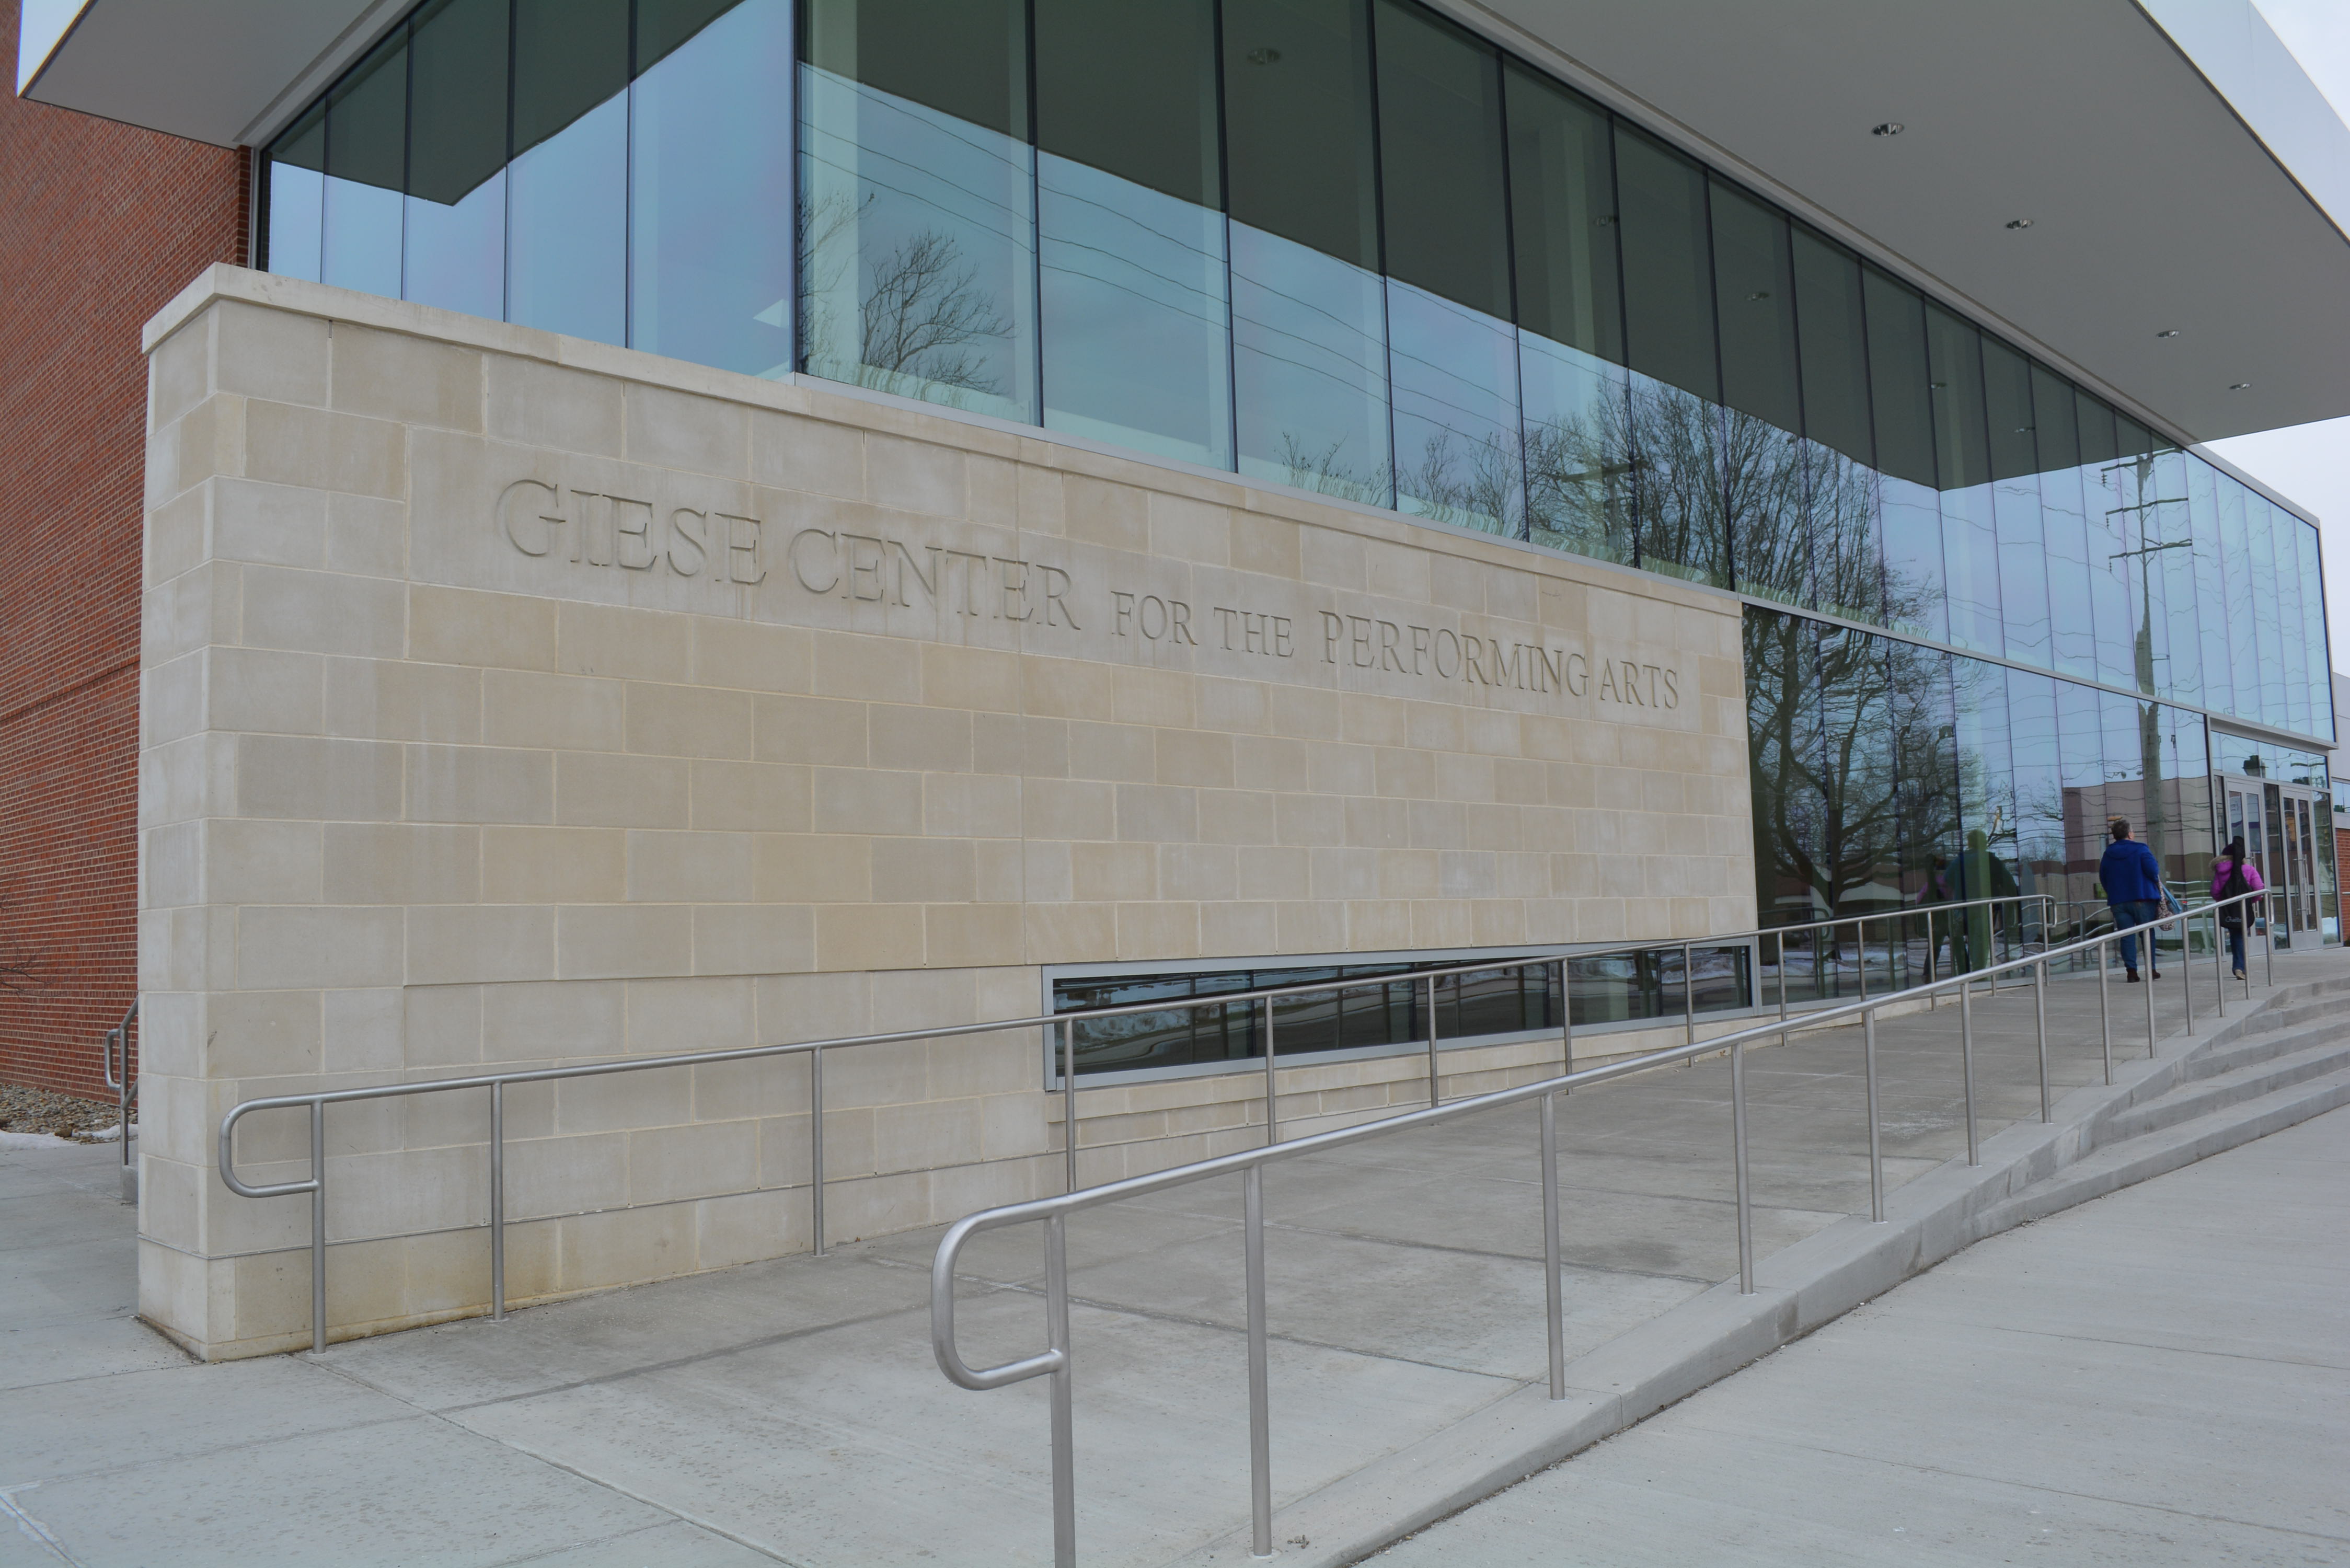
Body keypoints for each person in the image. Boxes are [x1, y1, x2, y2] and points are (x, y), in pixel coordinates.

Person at [2098, 820, 2179, 982]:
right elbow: (2153, 871)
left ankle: (2131, 972)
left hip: (2119, 902)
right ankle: (2151, 970)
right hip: (2143, 898)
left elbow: (2104, 877)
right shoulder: (2141, 849)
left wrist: (2114, 892)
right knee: (2147, 934)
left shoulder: (2108, 854)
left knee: (2126, 936)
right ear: (2130, 834)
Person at [2210, 836, 2265, 982]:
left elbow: (2215, 891)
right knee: (2240, 936)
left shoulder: (2220, 871)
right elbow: (2259, 889)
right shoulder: (2249, 869)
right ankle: (2240, 967)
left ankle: (2239, 966)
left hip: (2229, 910)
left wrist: (2225, 902)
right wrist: (2250, 901)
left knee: (2235, 936)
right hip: (2243, 908)